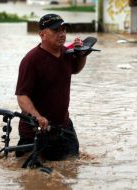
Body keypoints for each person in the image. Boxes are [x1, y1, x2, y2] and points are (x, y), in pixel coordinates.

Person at [15, 14, 91, 161]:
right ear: (42, 34)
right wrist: (37, 116)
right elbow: (22, 96)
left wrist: (82, 55)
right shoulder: (31, 60)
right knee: (31, 176)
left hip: (63, 125)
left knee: (72, 167)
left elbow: (75, 69)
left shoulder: (65, 52)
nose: (62, 34)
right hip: (36, 129)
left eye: (63, 30)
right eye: (56, 30)